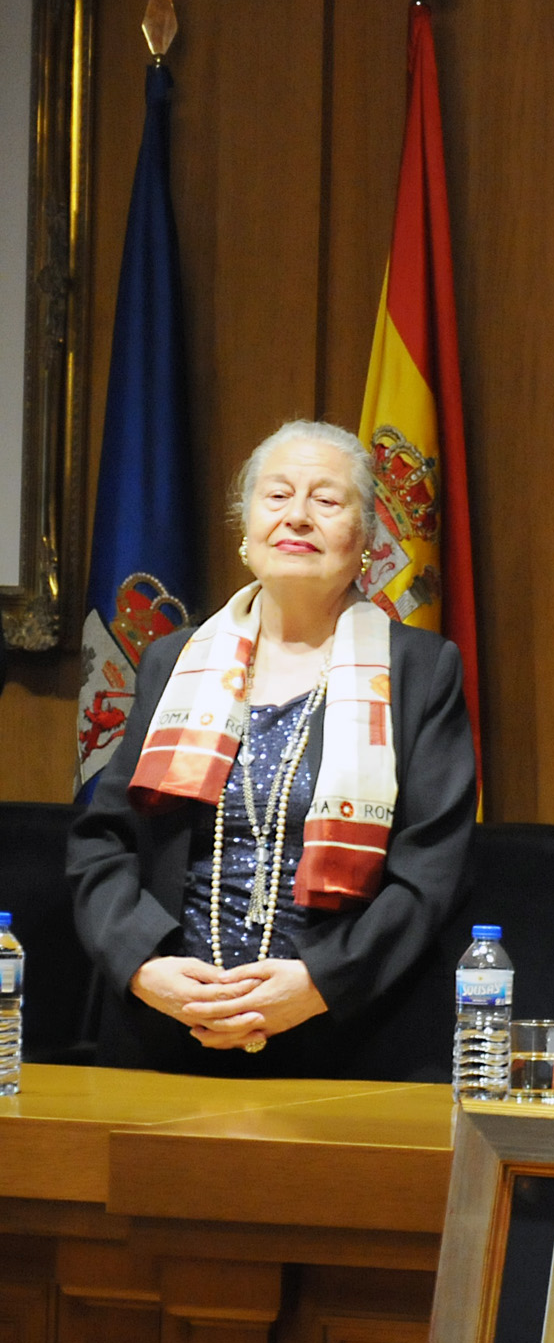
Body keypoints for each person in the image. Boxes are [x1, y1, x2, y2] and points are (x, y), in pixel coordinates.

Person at [68, 420, 477, 1078]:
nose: (299, 516)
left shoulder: (421, 671)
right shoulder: (175, 662)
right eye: (278, 495)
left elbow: (433, 873)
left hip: (349, 1033)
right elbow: (103, 840)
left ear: (366, 541)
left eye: (327, 500)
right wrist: (143, 967)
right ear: (246, 531)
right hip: (170, 1026)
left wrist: (319, 983)